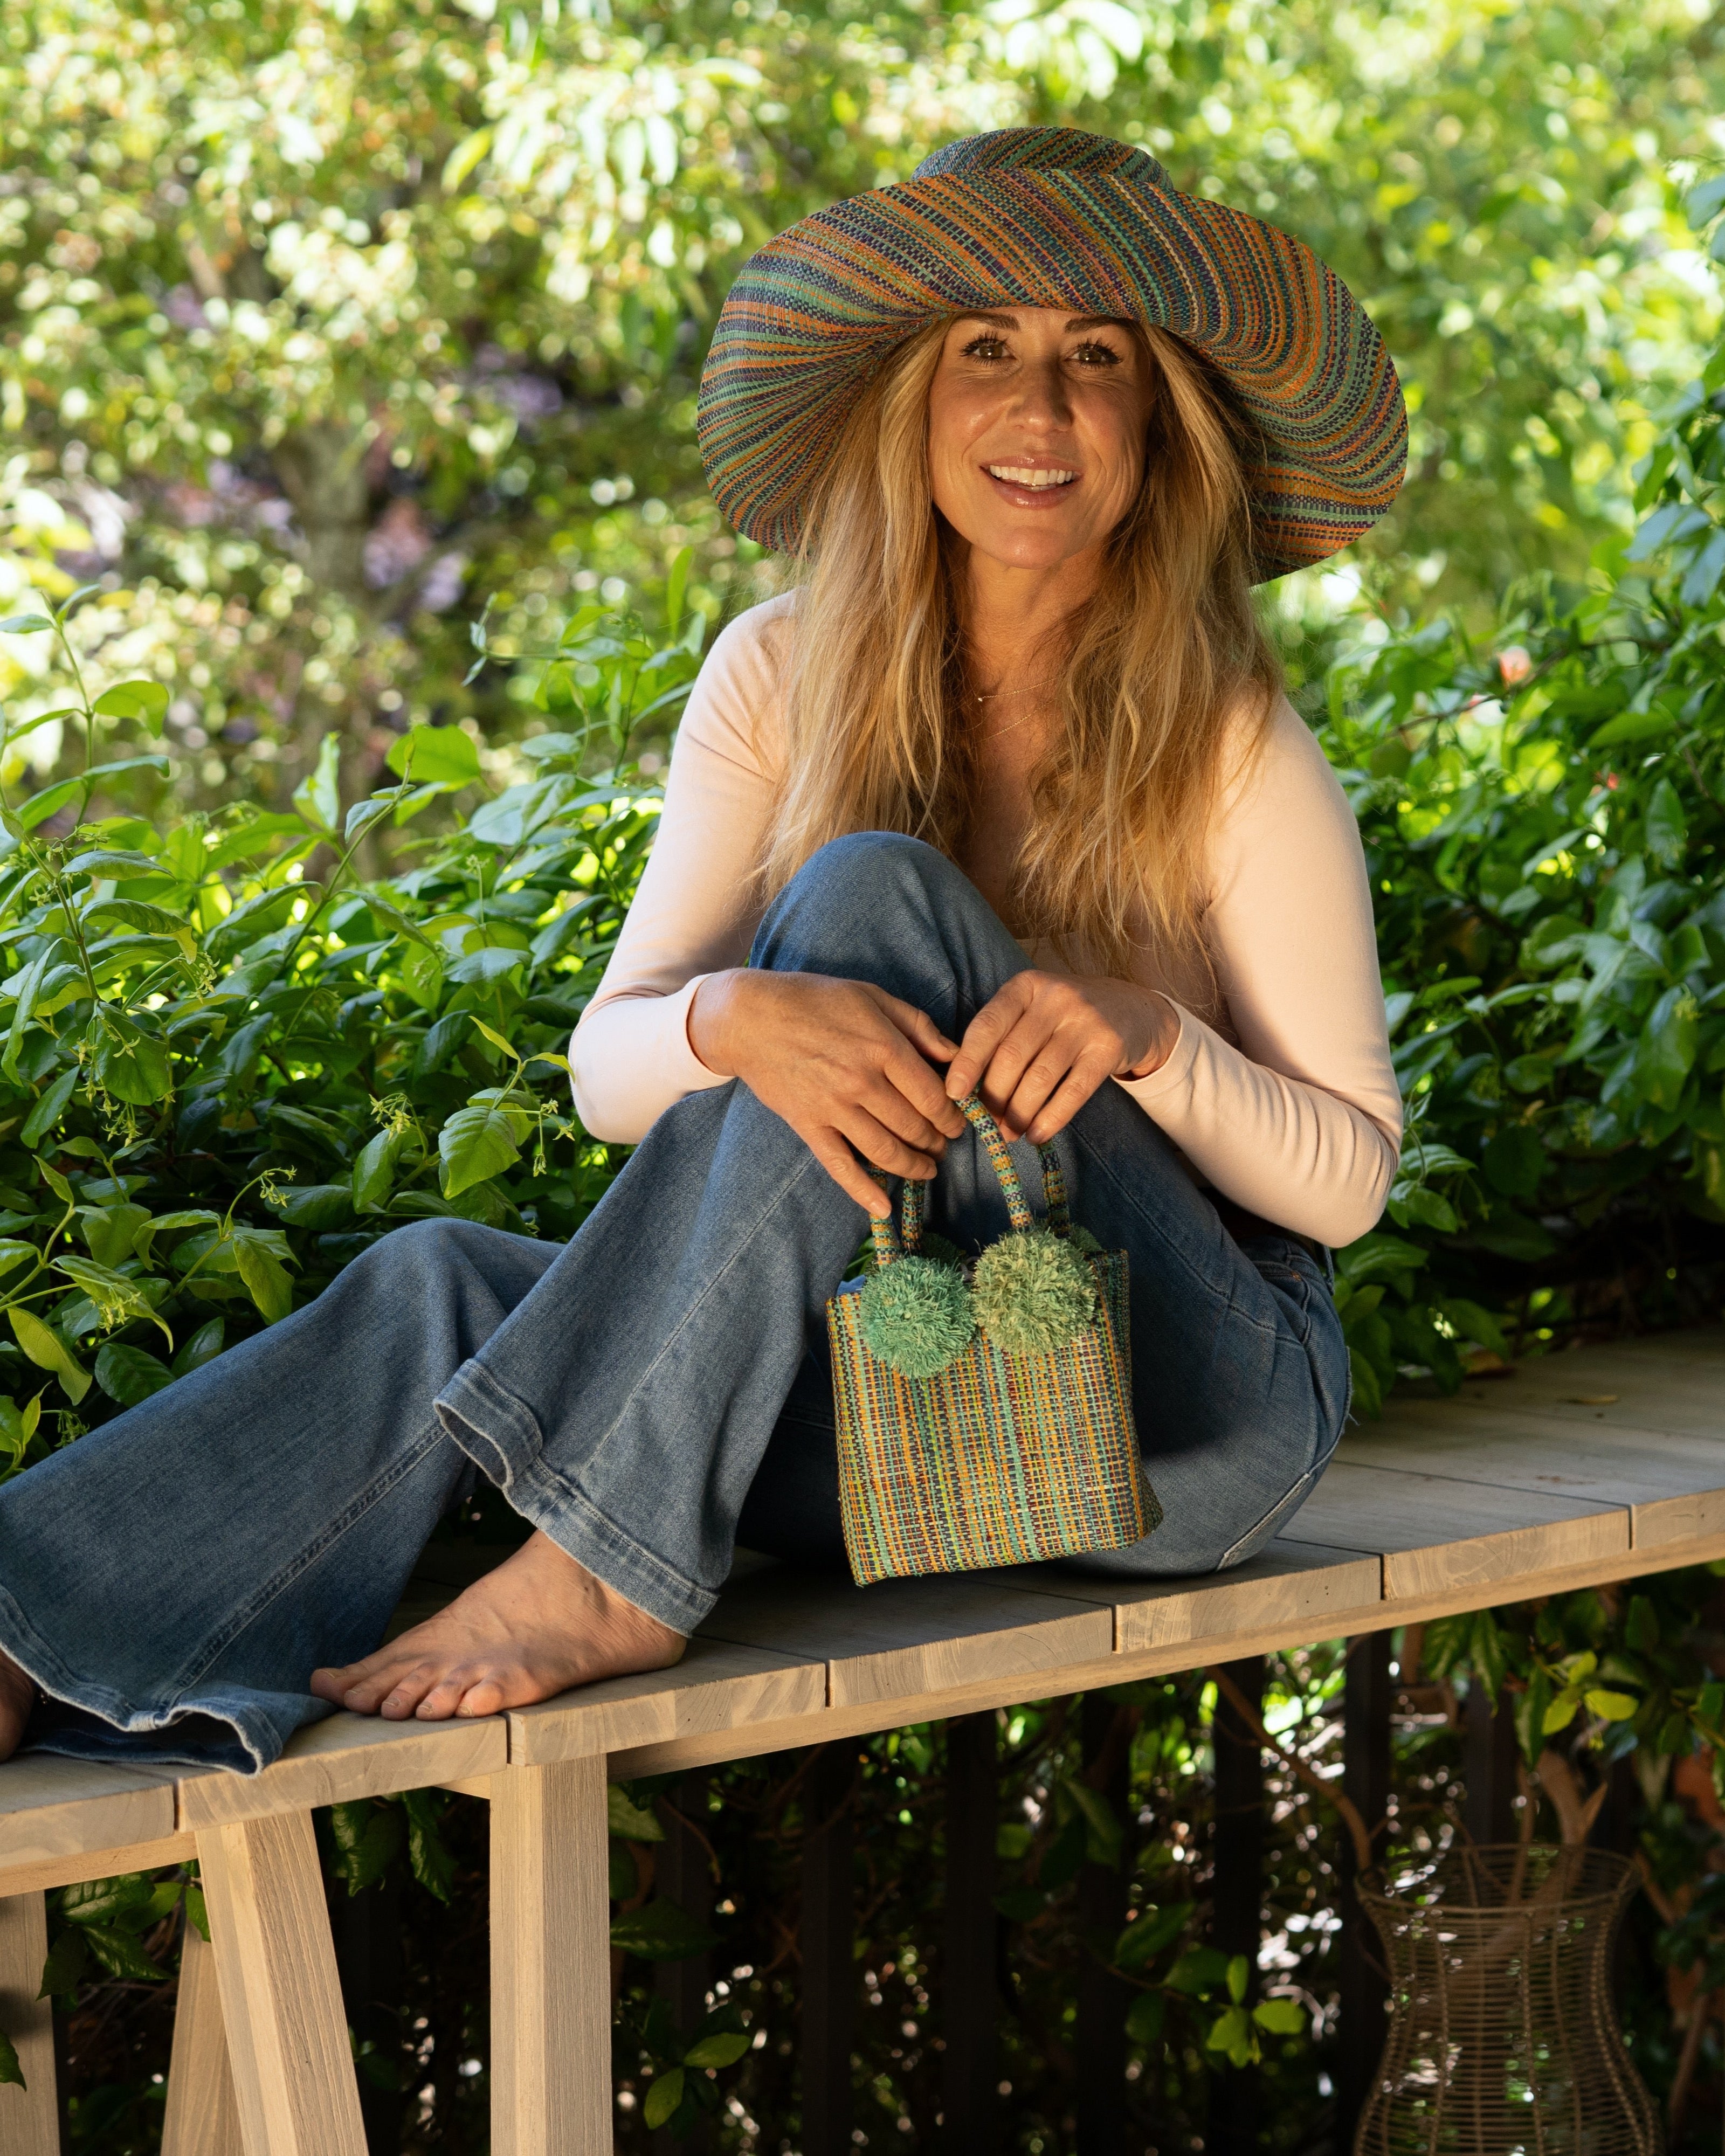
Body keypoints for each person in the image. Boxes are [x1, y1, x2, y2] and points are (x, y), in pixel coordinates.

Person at [0, 127, 1405, 1775]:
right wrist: (734, 1018)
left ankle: (610, 1567)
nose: (1041, 411)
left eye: (1098, 359)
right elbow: (612, 1072)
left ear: (1158, 420)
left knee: (872, 896)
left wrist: (1154, 1039)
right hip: (904, 1408)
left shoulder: (1233, 733)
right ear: (913, 401)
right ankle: (27, 1633)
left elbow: (1351, 1182)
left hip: (1195, 1423)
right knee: (445, 1288)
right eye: (987, 353)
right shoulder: (778, 674)